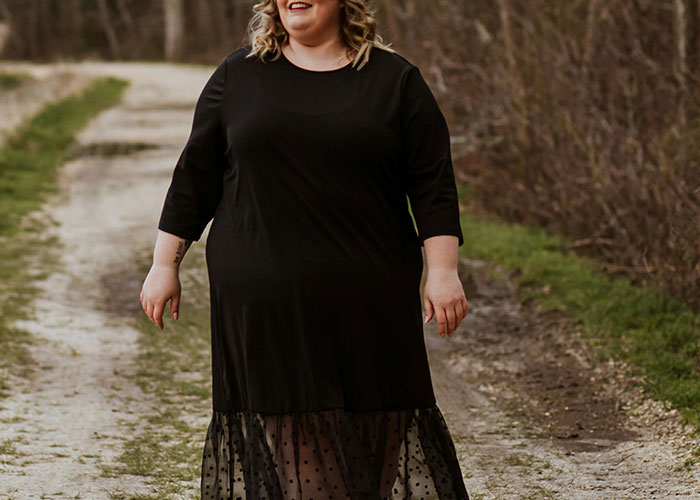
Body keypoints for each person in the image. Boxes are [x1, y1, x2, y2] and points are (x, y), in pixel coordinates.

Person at [139, 0, 470, 498]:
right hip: (268, 305)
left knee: (370, 461)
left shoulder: (395, 81)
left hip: (371, 305)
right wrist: (165, 263)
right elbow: (195, 178)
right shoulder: (238, 75)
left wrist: (442, 271)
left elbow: (432, 184)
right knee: (312, 474)